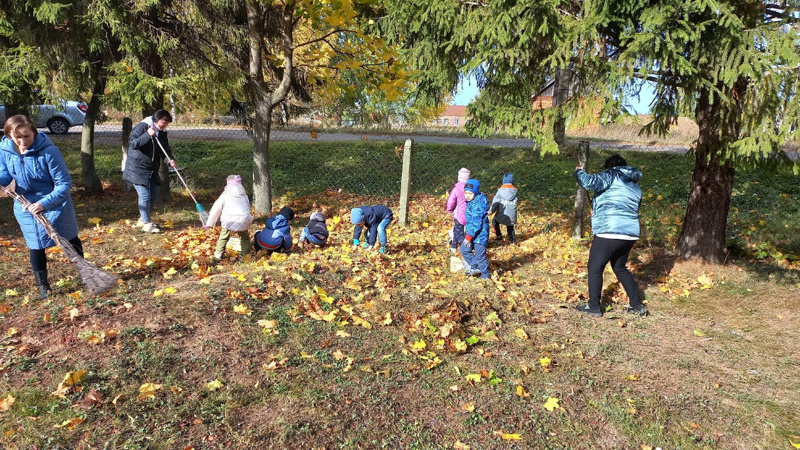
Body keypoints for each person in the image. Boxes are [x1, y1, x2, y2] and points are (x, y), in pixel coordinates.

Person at [0, 115, 83, 299]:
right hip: (26, 205)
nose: (22, 141)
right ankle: (43, 286)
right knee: (35, 245)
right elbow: (5, 176)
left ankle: (85, 272)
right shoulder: (5, 149)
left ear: (34, 133)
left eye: (26, 136)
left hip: (54, 202)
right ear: (9, 136)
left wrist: (44, 203)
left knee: (69, 237)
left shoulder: (49, 152)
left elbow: (64, 183)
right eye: (17, 137)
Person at [573, 154, 647, 317]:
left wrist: (579, 172)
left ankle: (593, 307)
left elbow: (588, 182)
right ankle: (636, 305)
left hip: (609, 230)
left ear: (609, 166)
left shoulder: (611, 174)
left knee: (595, 268)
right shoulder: (634, 184)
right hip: (629, 233)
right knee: (619, 267)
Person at [123, 109, 176, 233]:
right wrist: (147, 135)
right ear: (156, 119)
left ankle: (143, 219)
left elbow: (165, 150)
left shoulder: (161, 132)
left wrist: (169, 159)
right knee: (144, 195)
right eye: (164, 122)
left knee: (154, 193)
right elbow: (133, 143)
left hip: (151, 169)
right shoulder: (141, 127)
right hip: (137, 168)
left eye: (167, 123)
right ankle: (147, 224)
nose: (165, 125)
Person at [203, 175, 253, 260]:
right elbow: (247, 207)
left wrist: (209, 223)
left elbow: (216, 209)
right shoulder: (244, 195)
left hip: (228, 219)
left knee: (224, 237)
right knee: (244, 237)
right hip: (243, 218)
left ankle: (218, 254)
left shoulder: (225, 194)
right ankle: (245, 256)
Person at [461, 179, 490, 278]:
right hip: (472, 233)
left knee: (480, 256)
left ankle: (486, 276)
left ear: (476, 193)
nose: (467, 195)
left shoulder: (478, 205)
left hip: (480, 235)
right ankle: (475, 266)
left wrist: (469, 237)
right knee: (464, 249)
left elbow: (476, 223)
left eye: (470, 193)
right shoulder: (471, 202)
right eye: (466, 193)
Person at [445, 167, 470, 253]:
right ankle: (454, 246)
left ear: (459, 178)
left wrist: (449, 210)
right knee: (457, 229)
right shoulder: (471, 188)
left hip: (460, 214)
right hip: (470, 214)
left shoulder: (456, 189)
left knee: (459, 232)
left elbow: (451, 201)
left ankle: (467, 247)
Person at [490, 172, 518, 244]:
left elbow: (495, 203)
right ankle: (512, 239)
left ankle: (499, 236)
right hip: (512, 215)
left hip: (501, 214)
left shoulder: (500, 192)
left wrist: (491, 211)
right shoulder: (514, 192)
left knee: (495, 221)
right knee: (510, 226)